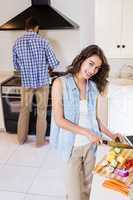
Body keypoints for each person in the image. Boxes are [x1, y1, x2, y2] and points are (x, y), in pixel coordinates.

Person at [50, 45, 123, 200]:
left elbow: (94, 119)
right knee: (75, 195)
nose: (92, 71)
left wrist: (111, 134)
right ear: (81, 59)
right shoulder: (60, 83)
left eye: (97, 68)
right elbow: (59, 120)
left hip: (91, 148)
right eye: (91, 64)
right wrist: (87, 133)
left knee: (87, 192)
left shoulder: (92, 86)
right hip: (71, 148)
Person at [13, 16, 59, 147]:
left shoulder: (17, 43)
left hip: (26, 82)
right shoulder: (43, 41)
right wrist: (47, 68)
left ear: (26, 28)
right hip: (42, 82)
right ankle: (39, 142)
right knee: (42, 111)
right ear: (36, 27)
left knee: (24, 110)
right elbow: (53, 62)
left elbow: (16, 67)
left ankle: (21, 140)